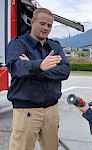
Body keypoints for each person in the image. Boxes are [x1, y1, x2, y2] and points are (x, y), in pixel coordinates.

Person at [6, 8, 71, 150]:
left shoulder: (55, 46)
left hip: (52, 110)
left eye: (49, 25)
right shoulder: (18, 44)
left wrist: (36, 67)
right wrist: (40, 65)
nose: (46, 28)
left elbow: (65, 71)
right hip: (27, 110)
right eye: (42, 24)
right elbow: (17, 68)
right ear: (32, 22)